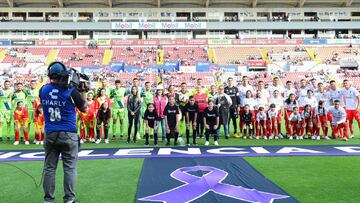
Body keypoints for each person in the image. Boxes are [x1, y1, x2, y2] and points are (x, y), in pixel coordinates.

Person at [40, 62, 87, 203]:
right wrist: (82, 90)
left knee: (49, 168)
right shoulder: (70, 90)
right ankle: (69, 200)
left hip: (50, 133)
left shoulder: (42, 89)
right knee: (70, 168)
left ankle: (48, 200)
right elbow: (84, 108)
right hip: (68, 133)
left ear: (50, 75)